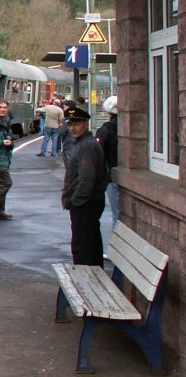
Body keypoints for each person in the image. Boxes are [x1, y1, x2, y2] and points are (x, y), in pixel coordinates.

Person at [61, 106, 108, 265]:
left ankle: (84, 279)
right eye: (70, 124)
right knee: (90, 242)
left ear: (85, 124)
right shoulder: (83, 143)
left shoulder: (86, 145)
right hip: (87, 202)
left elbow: (87, 177)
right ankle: (91, 275)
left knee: (83, 246)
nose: (73, 128)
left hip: (85, 204)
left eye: (77, 124)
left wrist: (75, 200)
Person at [96, 95, 119, 244]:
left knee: (116, 214)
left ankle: (114, 247)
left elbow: (99, 154)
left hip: (111, 176)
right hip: (121, 173)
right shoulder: (128, 125)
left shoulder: (105, 130)